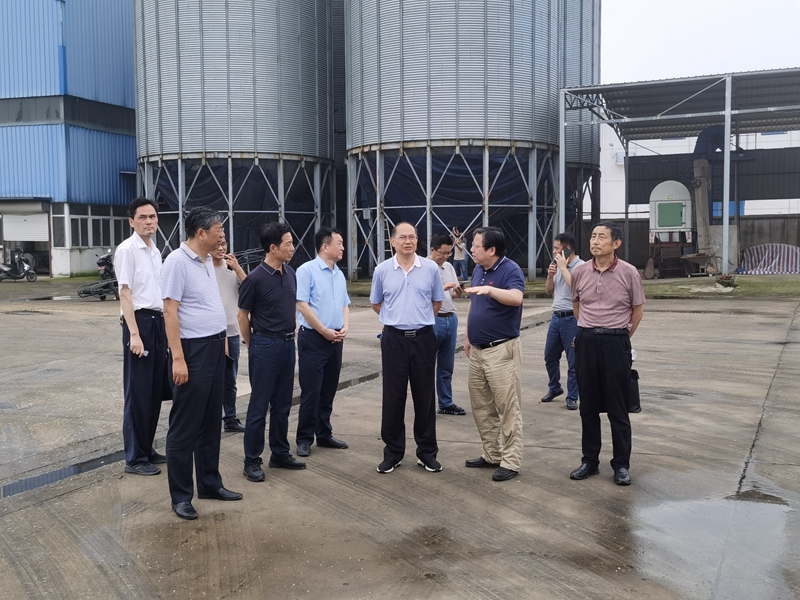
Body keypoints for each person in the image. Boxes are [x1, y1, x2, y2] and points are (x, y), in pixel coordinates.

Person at [161, 207, 243, 520]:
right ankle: (181, 496)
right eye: (218, 230)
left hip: (214, 347)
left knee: (210, 422)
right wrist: (178, 359)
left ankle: (210, 483)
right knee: (185, 425)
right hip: (191, 351)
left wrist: (222, 341)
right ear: (201, 233)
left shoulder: (207, 261)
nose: (222, 236)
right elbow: (170, 312)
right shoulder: (177, 262)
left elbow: (210, 306)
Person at [569, 221, 644, 487]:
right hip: (587, 340)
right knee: (588, 405)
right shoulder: (580, 272)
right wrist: (589, 330)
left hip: (616, 342)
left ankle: (621, 465)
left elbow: (637, 312)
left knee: (617, 407)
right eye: (593, 236)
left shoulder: (629, 272)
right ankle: (589, 461)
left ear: (616, 243)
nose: (595, 241)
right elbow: (576, 305)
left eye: (602, 237)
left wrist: (619, 338)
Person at [370, 222, 445, 474]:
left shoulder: (430, 268)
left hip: (423, 338)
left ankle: (427, 453)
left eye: (412, 237)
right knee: (393, 396)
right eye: (402, 237)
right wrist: (396, 318)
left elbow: (436, 302)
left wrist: (418, 318)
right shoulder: (382, 270)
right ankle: (393, 452)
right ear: (392, 241)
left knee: (425, 396)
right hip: (394, 339)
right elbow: (376, 303)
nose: (408, 241)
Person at [238, 221, 305, 482]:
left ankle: (280, 453)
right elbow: (242, 315)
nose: (292, 247)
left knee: (283, 404)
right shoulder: (255, 279)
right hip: (264, 345)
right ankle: (252, 460)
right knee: (259, 406)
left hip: (288, 344)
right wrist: (251, 343)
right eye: (288, 244)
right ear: (273, 248)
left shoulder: (290, 273)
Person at [463, 226, 525, 482]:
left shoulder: (510, 269)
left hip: (501, 350)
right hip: (478, 350)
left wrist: (490, 290)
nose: (472, 249)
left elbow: (516, 298)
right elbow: (474, 304)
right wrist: (467, 335)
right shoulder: (479, 269)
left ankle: (511, 461)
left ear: (491, 250)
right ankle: (492, 454)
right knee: (481, 406)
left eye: (476, 245)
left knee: (507, 406)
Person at [115, 197, 169, 476]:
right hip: (140, 323)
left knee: (154, 391)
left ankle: (147, 449)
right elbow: (125, 293)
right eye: (143, 217)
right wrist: (134, 334)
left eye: (152, 216)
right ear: (132, 222)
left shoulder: (155, 251)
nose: (149, 221)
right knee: (138, 392)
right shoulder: (127, 249)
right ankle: (134, 458)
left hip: (158, 322)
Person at [294, 227, 351, 457]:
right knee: (311, 391)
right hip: (314, 338)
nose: (343, 247)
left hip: (335, 339)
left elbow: (345, 304)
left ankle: (324, 433)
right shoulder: (306, 270)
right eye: (339, 243)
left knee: (328, 389)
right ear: (325, 246)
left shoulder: (339, 273)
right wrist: (323, 330)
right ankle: (304, 438)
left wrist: (345, 326)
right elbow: (302, 305)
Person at [542, 232, 584, 410]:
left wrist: (564, 268)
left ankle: (572, 396)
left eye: (557, 248)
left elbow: (576, 288)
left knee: (574, 361)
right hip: (556, 317)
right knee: (550, 356)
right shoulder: (557, 265)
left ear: (567, 249)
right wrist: (550, 276)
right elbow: (548, 291)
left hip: (572, 318)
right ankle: (554, 387)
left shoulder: (581, 267)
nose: (554, 252)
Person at [429, 233, 467, 416]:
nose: (445, 257)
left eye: (448, 253)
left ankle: (446, 402)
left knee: (446, 365)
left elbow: (452, 295)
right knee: (427, 364)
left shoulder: (449, 267)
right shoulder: (423, 268)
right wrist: (440, 289)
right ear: (432, 250)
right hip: (433, 320)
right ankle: (426, 404)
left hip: (450, 318)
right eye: (442, 253)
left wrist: (457, 292)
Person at [212, 238, 247, 433]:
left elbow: (251, 288)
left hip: (232, 331)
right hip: (211, 332)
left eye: (223, 244)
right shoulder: (205, 269)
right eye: (216, 244)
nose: (220, 248)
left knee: (230, 378)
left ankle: (230, 418)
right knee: (212, 379)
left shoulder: (231, 269)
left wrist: (238, 268)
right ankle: (211, 420)